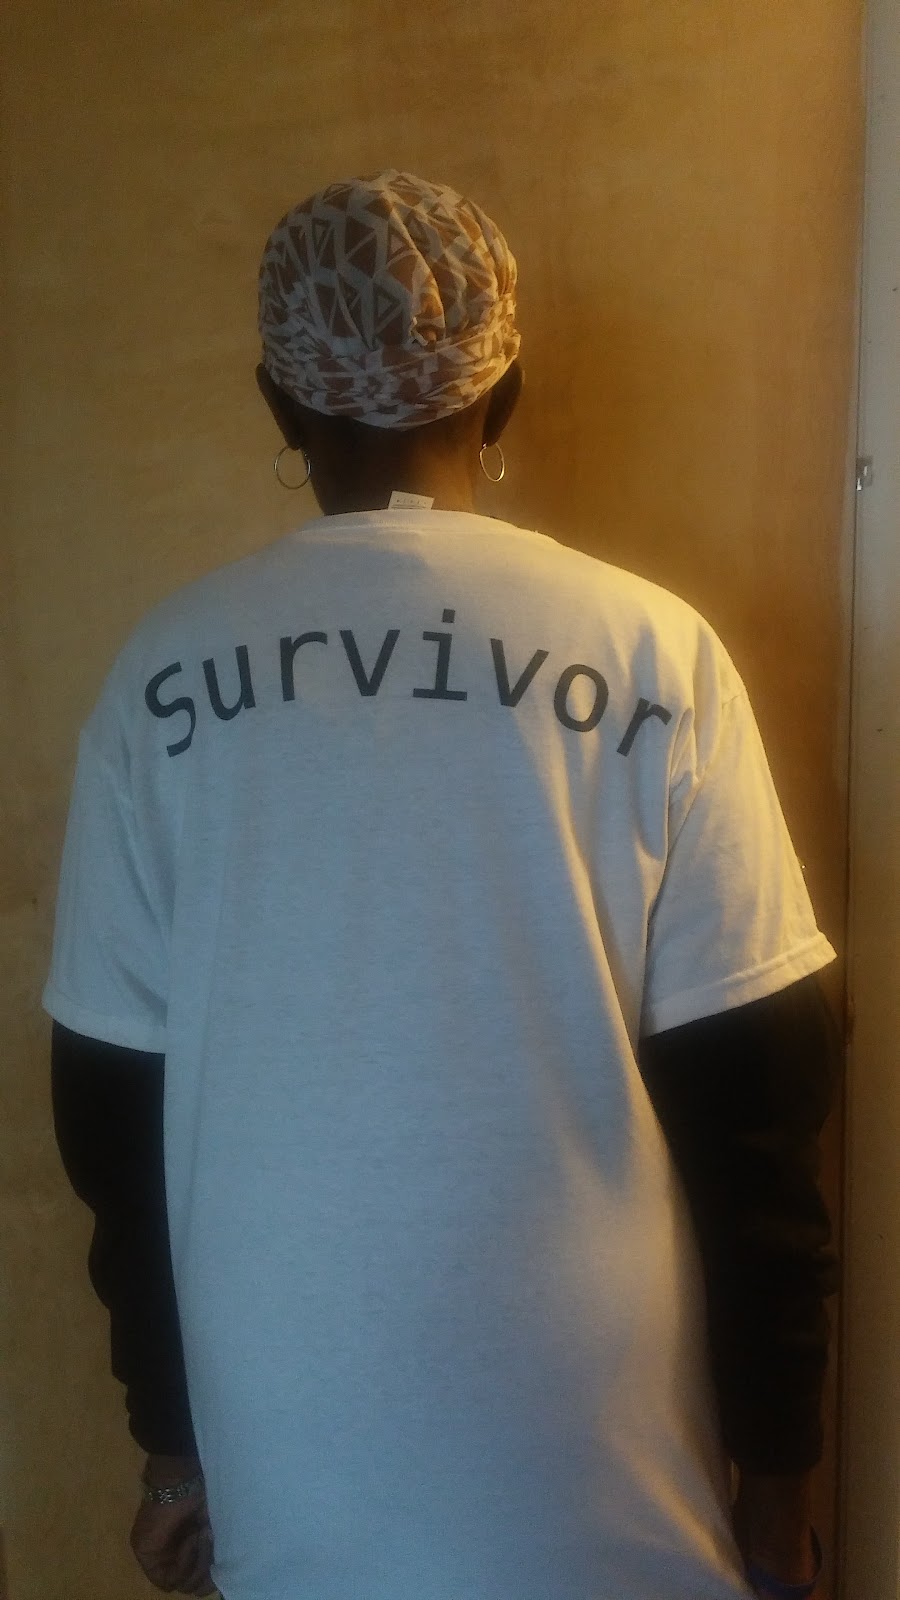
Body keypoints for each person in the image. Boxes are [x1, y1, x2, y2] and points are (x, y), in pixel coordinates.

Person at [44, 169, 840, 1600]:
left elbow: (111, 1114)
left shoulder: (158, 682)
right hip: (608, 1468)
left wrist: (171, 1448)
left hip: (287, 1451)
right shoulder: (657, 655)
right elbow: (763, 1103)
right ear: (504, 391)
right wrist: (780, 1478)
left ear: (281, 407)